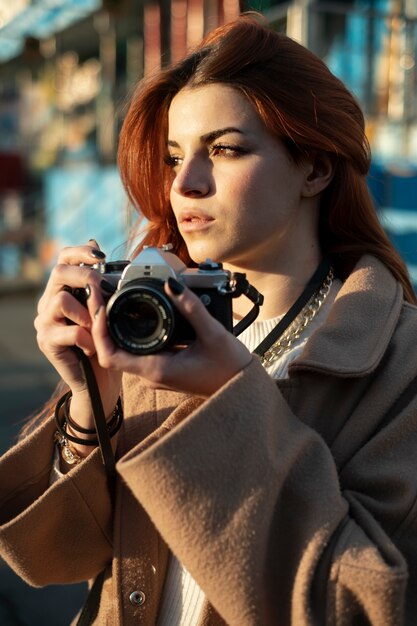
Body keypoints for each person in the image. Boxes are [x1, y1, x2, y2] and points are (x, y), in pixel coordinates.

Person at [1, 13, 417, 626]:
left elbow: (363, 607)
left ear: (316, 168)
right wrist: (93, 401)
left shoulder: (399, 363)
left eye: (225, 149)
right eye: (174, 156)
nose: (185, 184)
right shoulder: (152, 321)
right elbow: (51, 559)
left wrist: (230, 403)